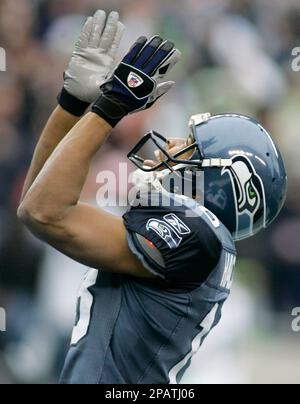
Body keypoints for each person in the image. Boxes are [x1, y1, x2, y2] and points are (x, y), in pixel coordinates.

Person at [17, 10, 287, 384]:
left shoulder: (199, 234)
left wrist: (109, 107)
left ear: (227, 178)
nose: (174, 144)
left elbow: (43, 212)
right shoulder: (199, 237)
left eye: (192, 145)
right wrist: (73, 105)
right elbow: (36, 203)